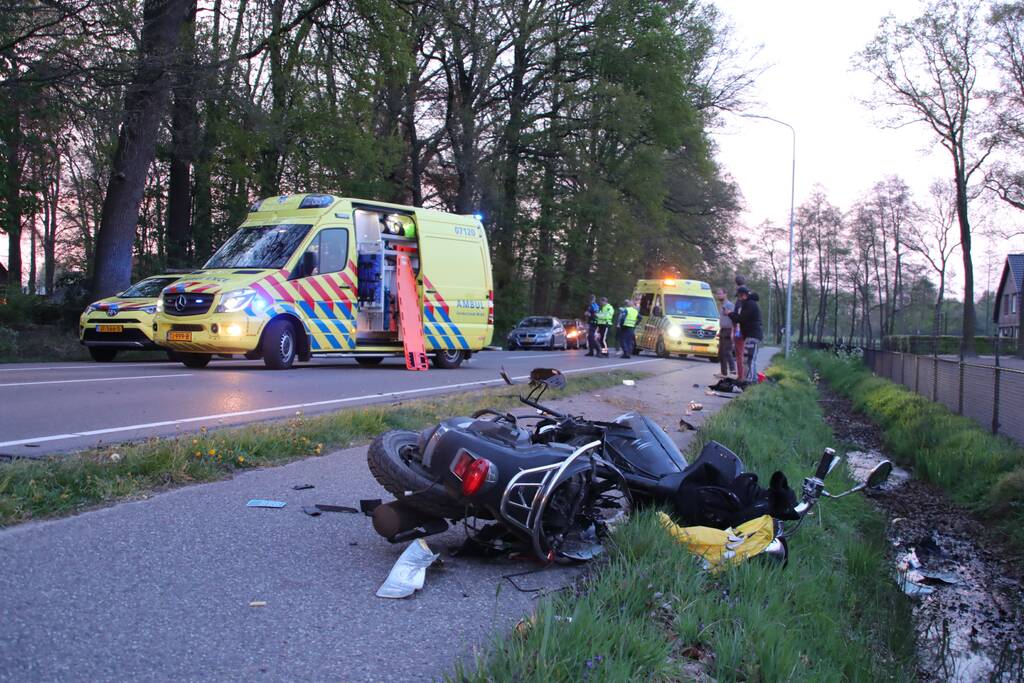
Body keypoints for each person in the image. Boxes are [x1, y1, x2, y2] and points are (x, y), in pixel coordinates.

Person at [729, 285, 763, 382]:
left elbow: (741, 318)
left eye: (739, 296)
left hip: (753, 335)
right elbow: (741, 317)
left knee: (750, 359)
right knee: (748, 359)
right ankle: (753, 379)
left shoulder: (750, 304)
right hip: (749, 335)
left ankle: (750, 380)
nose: (739, 299)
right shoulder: (749, 304)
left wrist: (730, 314)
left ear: (743, 295)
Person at [714, 288, 736, 377]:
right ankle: (723, 372)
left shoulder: (729, 305)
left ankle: (733, 369)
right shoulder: (721, 305)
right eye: (717, 294)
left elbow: (733, 318)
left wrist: (732, 332)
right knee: (720, 353)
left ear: (725, 294)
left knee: (727, 351)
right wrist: (720, 330)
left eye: (720, 294)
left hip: (729, 330)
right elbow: (723, 319)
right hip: (723, 330)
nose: (718, 295)